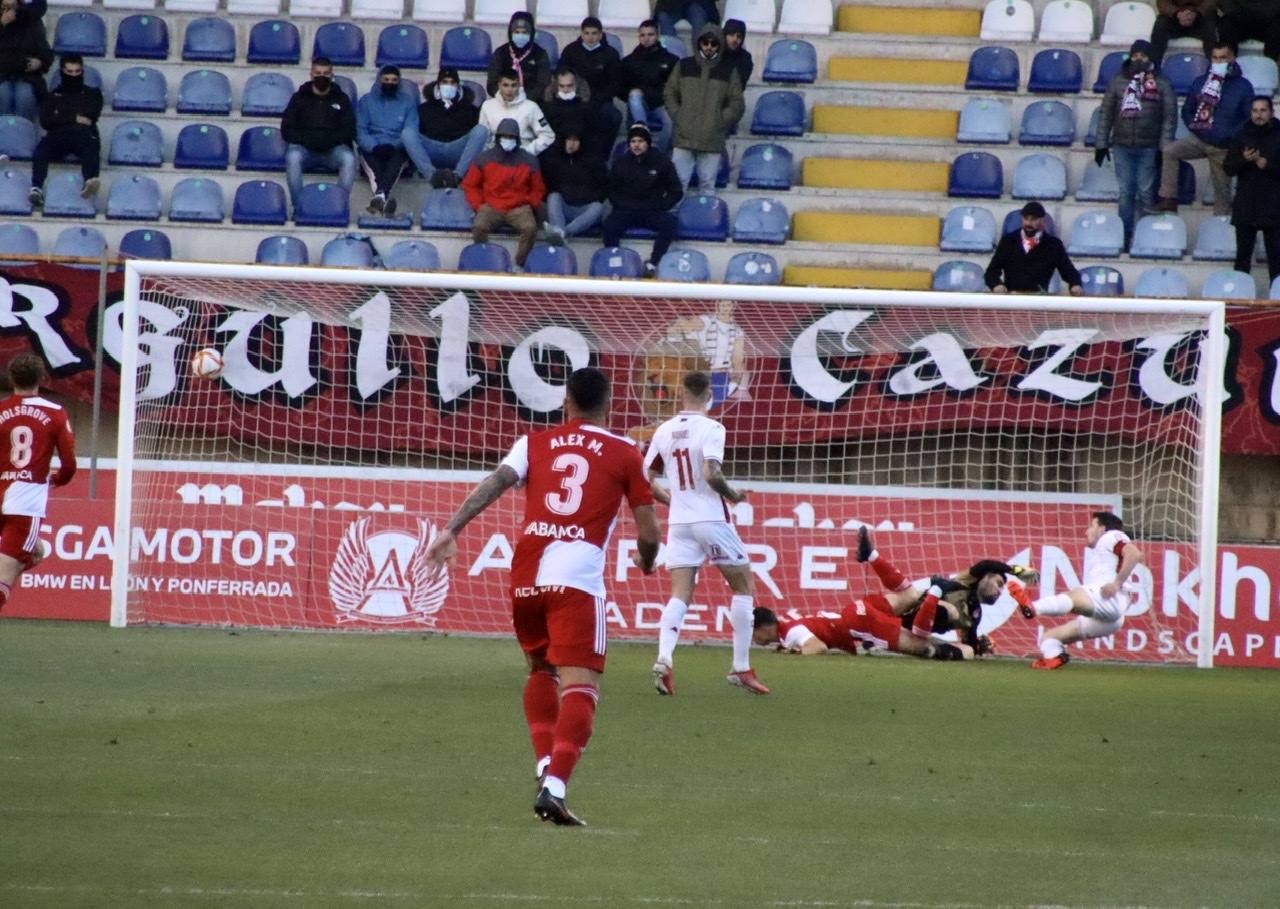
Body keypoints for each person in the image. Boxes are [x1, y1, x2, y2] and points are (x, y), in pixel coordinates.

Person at [424, 367, 660, 827]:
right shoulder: (626, 451)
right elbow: (648, 531)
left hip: (527, 574)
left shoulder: (534, 442)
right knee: (582, 688)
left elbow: (494, 483)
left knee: (539, 669)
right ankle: (555, 788)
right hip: (576, 580)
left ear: (565, 401)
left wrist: (451, 529)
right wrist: (648, 561)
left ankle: (543, 767)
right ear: (608, 406)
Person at [645, 371, 768, 697]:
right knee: (743, 586)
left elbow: (646, 479)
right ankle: (740, 668)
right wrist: (732, 495)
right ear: (709, 396)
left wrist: (671, 499)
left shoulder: (664, 430)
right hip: (711, 519)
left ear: (681, 394)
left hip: (679, 523)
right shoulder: (713, 428)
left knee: (679, 594)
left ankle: (664, 658)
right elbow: (711, 472)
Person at [1007, 512, 1145, 671]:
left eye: (1091, 525)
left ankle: (1033, 608)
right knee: (1048, 639)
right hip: (1113, 619)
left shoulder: (1111, 535)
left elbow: (1134, 554)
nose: (1087, 531)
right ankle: (1055, 656)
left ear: (1102, 528)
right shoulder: (1103, 552)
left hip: (1111, 599)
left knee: (1075, 597)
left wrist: (1116, 584)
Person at [0, 353, 74, 614]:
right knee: (8, 576)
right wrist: (55, 480)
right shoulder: (55, 413)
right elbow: (69, 466)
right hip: (25, 501)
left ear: (11, 379)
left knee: (37, 551)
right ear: (42, 379)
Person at [1154, 41, 1254, 215]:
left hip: (1224, 146)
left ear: (1233, 58)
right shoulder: (1200, 82)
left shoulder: (1243, 86)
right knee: (1169, 151)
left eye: (1223, 58)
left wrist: (1229, 138)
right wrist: (1196, 127)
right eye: (1215, 58)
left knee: (1222, 196)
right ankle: (1168, 198)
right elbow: (1187, 110)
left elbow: (1248, 118)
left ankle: (1220, 229)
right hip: (1199, 138)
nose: (1219, 62)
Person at [1094, 40, 1177, 247]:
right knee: (1125, 194)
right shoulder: (1117, 81)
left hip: (1149, 146)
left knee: (1146, 193)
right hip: (1121, 146)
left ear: (1151, 58)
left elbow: (1170, 117)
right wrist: (1101, 143)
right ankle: (1125, 236)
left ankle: (1145, 237)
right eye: (1136, 54)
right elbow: (1106, 114)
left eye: (1144, 55)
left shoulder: (1162, 83)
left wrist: (1163, 147)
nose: (1139, 59)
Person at [664, 23, 744, 195]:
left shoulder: (729, 70)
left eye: (713, 43)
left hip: (711, 139)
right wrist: (679, 116)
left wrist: (718, 121)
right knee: (678, 186)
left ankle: (705, 221)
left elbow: (737, 103)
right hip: (684, 137)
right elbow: (669, 92)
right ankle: (675, 221)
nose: (708, 47)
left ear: (719, 45)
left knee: (707, 185)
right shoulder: (684, 65)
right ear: (699, 43)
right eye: (705, 42)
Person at [462, 117, 545, 268]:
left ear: (517, 139)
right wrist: (479, 206)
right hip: (491, 206)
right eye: (505, 136)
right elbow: (470, 185)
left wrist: (530, 203)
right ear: (498, 138)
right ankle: (485, 262)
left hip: (519, 208)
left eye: (511, 137)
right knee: (479, 227)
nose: (508, 139)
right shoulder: (483, 159)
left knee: (530, 228)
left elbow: (538, 189)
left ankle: (520, 264)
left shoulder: (530, 161)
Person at [602, 123, 683, 277]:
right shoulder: (620, 163)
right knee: (608, 226)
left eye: (640, 141)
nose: (636, 145)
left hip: (652, 211)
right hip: (626, 211)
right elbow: (611, 189)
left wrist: (661, 206)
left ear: (647, 142)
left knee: (670, 223)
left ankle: (653, 262)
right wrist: (621, 205)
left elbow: (676, 190)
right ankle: (616, 263)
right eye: (633, 141)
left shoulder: (662, 162)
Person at [281, 57, 357, 209]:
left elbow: (350, 129)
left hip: (333, 150)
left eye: (326, 73)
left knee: (349, 158)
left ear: (331, 75)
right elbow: (286, 129)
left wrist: (329, 140)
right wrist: (307, 140)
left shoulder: (341, 98)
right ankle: (299, 207)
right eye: (318, 73)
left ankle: (339, 206)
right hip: (305, 150)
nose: (322, 76)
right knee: (292, 156)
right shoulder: (299, 98)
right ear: (311, 74)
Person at [28, 54, 101, 208]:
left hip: (83, 136)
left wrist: (61, 116)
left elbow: (92, 114)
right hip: (58, 138)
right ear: (62, 72)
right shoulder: (53, 95)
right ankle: (36, 188)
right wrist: (75, 117)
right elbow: (46, 121)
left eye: (77, 71)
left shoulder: (93, 93)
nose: (73, 75)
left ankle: (90, 181)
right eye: (69, 72)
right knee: (41, 150)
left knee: (90, 144)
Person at [1223, 96, 1280, 283]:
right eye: (1255, 111)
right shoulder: (1241, 134)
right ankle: (1240, 300)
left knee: (1277, 261)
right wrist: (1244, 160)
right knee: (1242, 260)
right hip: (1246, 205)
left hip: (1274, 206)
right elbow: (1228, 168)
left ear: (1271, 112)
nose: (1259, 115)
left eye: (1263, 110)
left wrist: (1268, 165)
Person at [403, 67, 488, 190]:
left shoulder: (470, 109)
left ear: (458, 86)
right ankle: (432, 177)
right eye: (445, 82)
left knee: (481, 130)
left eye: (452, 82)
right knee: (407, 133)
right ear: (438, 85)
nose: (449, 86)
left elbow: (475, 138)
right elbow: (415, 135)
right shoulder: (424, 109)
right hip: (432, 150)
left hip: (457, 150)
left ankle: (457, 177)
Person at [356, 65, 419, 216]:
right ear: (379, 80)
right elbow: (360, 130)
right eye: (386, 79)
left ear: (399, 82)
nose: (390, 83)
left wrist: (394, 145)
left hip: (397, 148)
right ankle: (383, 196)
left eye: (394, 80)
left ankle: (379, 197)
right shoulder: (366, 101)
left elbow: (411, 129)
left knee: (395, 162)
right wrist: (373, 146)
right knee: (376, 166)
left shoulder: (408, 102)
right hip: (372, 147)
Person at [984, 201, 1084, 295]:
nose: (1028, 223)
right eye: (1026, 218)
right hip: (1011, 300)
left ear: (1042, 220)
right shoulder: (1008, 241)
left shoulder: (1053, 245)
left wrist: (1075, 284)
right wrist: (996, 285)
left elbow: (1068, 270)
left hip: (1039, 301)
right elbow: (991, 272)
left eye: (1033, 219)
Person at [559, 17, 622, 161]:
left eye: (594, 33)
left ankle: (603, 156)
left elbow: (614, 84)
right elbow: (561, 75)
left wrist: (596, 99)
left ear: (600, 34)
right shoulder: (570, 51)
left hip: (600, 100)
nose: (590, 37)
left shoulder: (611, 54)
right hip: (573, 97)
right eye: (586, 33)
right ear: (581, 33)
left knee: (614, 117)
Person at [620, 20, 679, 154]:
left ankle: (659, 155)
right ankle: (643, 136)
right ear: (639, 37)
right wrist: (631, 93)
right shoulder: (629, 62)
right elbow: (620, 88)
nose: (646, 38)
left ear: (657, 36)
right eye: (643, 35)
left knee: (671, 120)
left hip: (662, 105)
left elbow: (676, 88)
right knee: (634, 95)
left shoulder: (671, 60)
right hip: (638, 106)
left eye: (650, 34)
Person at [540, 131, 607, 243]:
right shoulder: (554, 160)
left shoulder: (593, 161)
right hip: (564, 209)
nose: (572, 143)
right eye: (569, 139)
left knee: (598, 207)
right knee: (554, 196)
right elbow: (547, 186)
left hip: (585, 210)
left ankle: (561, 233)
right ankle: (559, 231)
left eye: (575, 140)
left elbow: (603, 187)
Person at [479, 68, 555, 156]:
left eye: (513, 85)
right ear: (499, 85)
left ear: (519, 85)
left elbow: (548, 135)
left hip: (521, 158)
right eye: (505, 85)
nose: (509, 90)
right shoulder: (487, 106)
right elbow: (483, 138)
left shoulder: (531, 107)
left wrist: (528, 152)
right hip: (495, 157)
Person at [486, 11, 552, 104]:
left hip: (531, 103)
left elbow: (543, 83)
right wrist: (508, 96)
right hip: (503, 102)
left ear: (531, 33)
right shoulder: (501, 52)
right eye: (516, 32)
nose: (520, 35)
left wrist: (522, 99)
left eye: (524, 32)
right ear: (510, 33)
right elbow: (492, 83)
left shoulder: (540, 54)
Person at [0, 0, 49, 121]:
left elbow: (45, 52)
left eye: (12, 7)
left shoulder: (32, 22)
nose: (9, 11)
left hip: (27, 75)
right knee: (3, 93)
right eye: (5, 7)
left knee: (24, 94)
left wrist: (40, 62)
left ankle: (23, 135)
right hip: (1, 74)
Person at [541, 68, 593, 157]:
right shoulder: (547, 108)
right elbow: (542, 127)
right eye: (562, 86)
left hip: (582, 151)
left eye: (569, 86)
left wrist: (575, 139)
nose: (565, 90)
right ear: (557, 86)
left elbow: (592, 131)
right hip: (554, 151)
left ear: (575, 85)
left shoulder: (586, 108)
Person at [1151, 0, 1219, 63]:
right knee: (1161, 23)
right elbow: (1162, 2)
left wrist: (1197, 13)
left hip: (1202, 17)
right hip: (1176, 18)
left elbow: (1211, 2)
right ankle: (1155, 64)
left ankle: (1212, 64)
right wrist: (1177, 13)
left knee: (1210, 24)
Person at [654, 0, 720, 38]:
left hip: (698, 3)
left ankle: (700, 58)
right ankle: (672, 58)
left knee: (699, 19)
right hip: (670, 4)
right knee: (663, 17)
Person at [720, 18, 754, 91]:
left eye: (739, 36)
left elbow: (739, 84)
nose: (735, 39)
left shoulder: (746, 58)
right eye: (731, 35)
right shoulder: (715, 54)